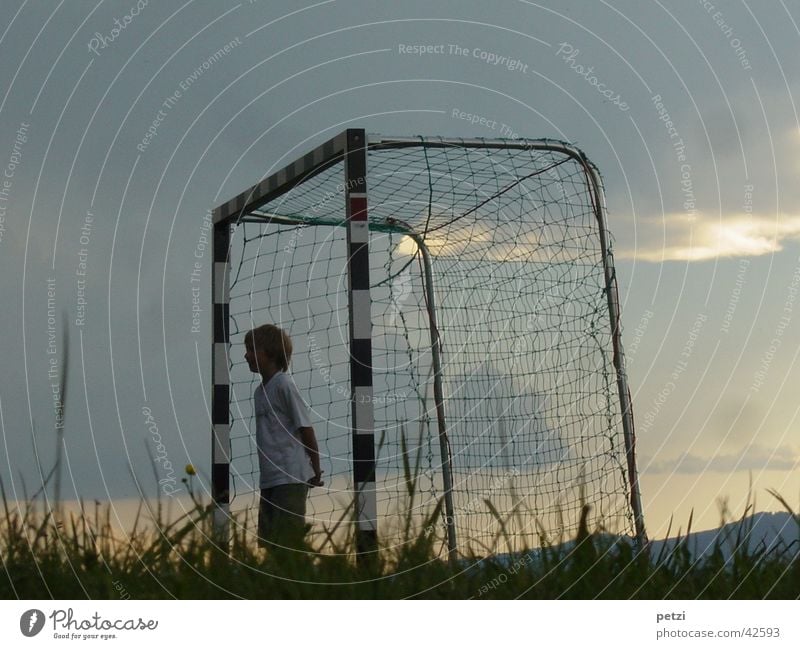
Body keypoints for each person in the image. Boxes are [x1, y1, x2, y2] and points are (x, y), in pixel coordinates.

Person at [244, 324, 323, 552]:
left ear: (270, 353)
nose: (246, 355)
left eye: (251, 349)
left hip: (290, 476)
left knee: (289, 544)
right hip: (270, 478)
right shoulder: (260, 391)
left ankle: (305, 585)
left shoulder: (284, 385)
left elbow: (306, 429)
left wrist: (315, 469)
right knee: (270, 544)